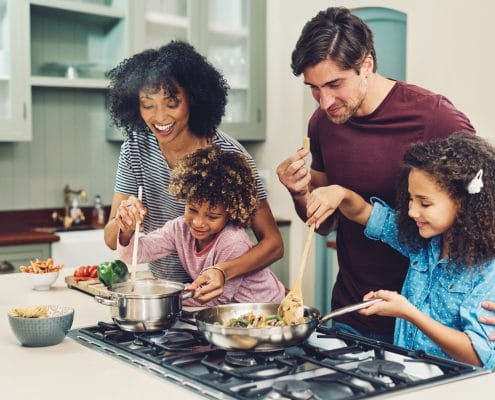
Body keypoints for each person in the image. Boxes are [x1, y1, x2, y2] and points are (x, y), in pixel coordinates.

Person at [276, 7, 475, 342]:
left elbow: (484, 207)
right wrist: (299, 193)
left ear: (366, 65)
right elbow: (324, 224)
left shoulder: (435, 118)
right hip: (352, 313)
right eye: (313, 88)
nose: (325, 102)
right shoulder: (323, 124)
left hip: (429, 327)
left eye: (334, 84)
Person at [104, 41, 283, 303]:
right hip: (171, 295)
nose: (159, 116)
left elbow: (274, 244)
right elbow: (112, 240)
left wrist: (221, 271)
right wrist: (125, 222)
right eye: (148, 104)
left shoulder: (229, 156)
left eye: (172, 102)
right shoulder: (135, 148)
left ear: (193, 99)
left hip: (220, 301)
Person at [306, 133, 495, 369]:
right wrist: (340, 193)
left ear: (462, 204)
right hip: (410, 376)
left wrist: (409, 312)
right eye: (410, 199)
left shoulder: (488, 270)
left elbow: (479, 356)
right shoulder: (421, 241)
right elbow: (364, 212)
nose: (413, 211)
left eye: (425, 203)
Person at [116, 146, 285, 305]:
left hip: (265, 305)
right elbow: (134, 254)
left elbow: (215, 299)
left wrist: (162, 295)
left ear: (230, 213)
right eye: (192, 209)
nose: (198, 222)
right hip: (228, 311)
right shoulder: (179, 229)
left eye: (212, 217)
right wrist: (127, 229)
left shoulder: (233, 242)